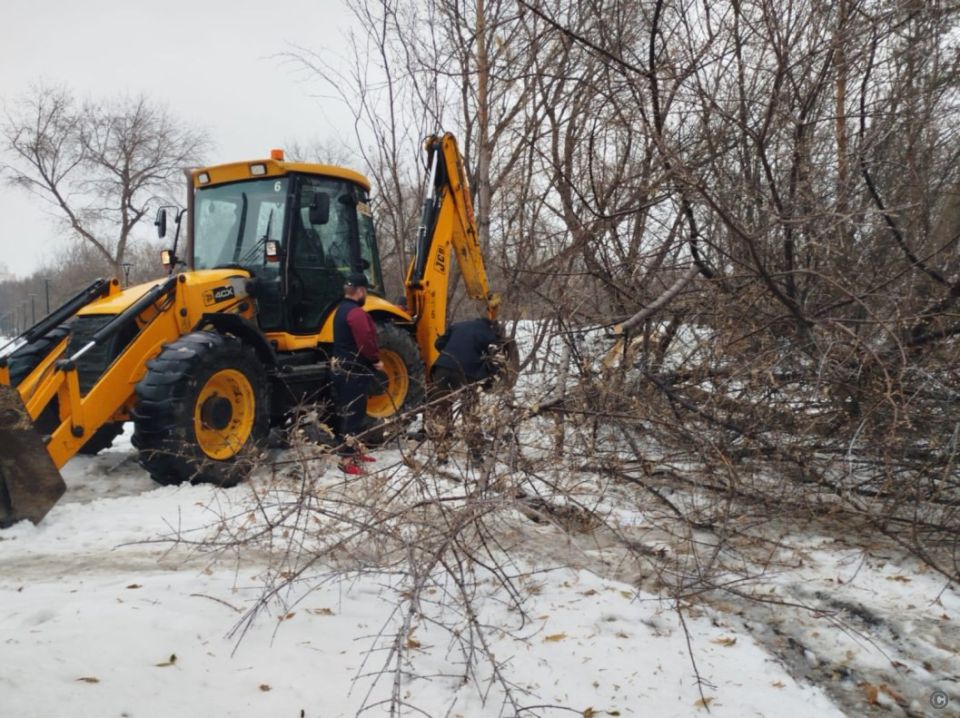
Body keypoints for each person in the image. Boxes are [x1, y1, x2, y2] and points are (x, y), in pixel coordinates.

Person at [427, 317, 503, 464]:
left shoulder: (458, 324)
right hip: (467, 372)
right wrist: (489, 377)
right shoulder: (489, 333)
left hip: (441, 368)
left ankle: (441, 455)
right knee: (470, 411)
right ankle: (476, 454)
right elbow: (495, 361)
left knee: (441, 410)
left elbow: (438, 343)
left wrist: (452, 354)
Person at [331, 272, 384, 474]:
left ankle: (354, 451)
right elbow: (365, 339)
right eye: (366, 292)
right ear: (360, 291)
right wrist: (375, 360)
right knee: (353, 414)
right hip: (354, 370)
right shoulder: (355, 313)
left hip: (342, 368)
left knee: (354, 411)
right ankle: (346, 461)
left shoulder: (340, 310)